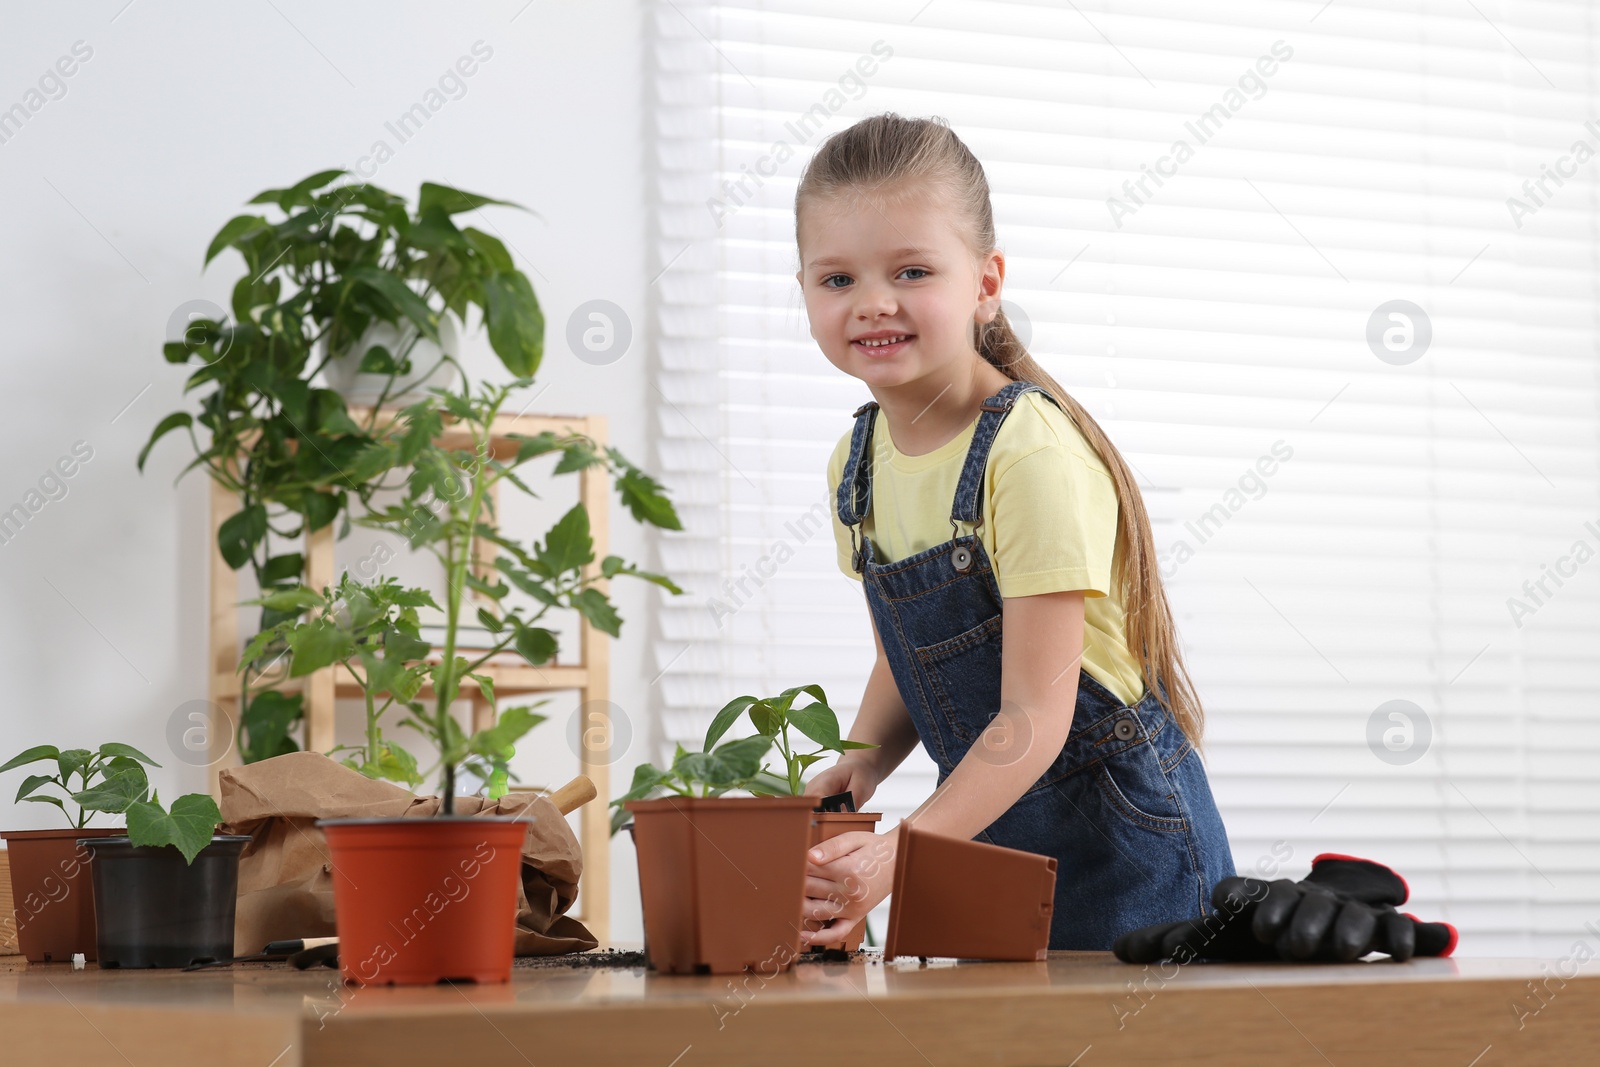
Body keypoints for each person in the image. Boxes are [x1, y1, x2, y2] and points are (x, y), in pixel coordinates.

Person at [794, 113, 1235, 951]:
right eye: (836, 278)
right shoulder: (857, 461)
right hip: (988, 829)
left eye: (913, 270)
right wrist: (861, 761)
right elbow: (910, 653)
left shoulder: (1028, 453)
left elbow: (1034, 715)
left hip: (1123, 845)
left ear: (986, 282)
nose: (872, 303)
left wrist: (900, 854)